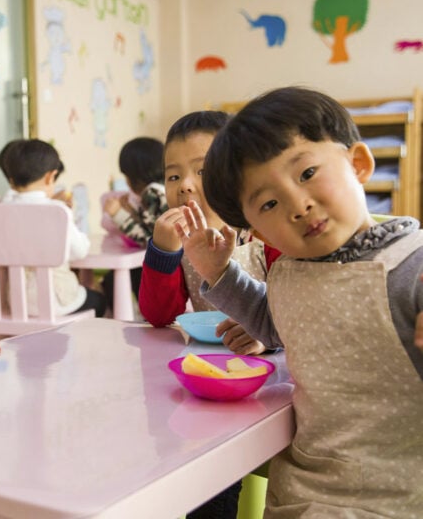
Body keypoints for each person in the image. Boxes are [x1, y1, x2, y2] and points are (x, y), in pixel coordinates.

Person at [177, 86, 423, 517]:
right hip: (303, 491)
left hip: (400, 494)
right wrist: (219, 271)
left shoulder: (410, 264)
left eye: (307, 173)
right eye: (268, 202)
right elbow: (270, 321)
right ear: (258, 231)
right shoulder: (289, 272)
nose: (296, 204)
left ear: (358, 164)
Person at [139, 111, 280, 356]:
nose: (184, 185)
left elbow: (300, 311)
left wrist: (267, 338)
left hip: (277, 366)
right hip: (208, 357)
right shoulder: (181, 243)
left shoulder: (267, 234)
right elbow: (160, 317)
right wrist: (163, 253)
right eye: (173, 176)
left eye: (202, 171)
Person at [0, 139, 106, 317]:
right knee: (99, 300)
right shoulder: (57, 211)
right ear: (50, 177)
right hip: (56, 301)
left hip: (16, 302)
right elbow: (79, 251)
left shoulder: (1, 209)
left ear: (11, 179)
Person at [101, 137, 166, 313]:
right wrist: (130, 209)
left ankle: (130, 320)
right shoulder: (161, 189)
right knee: (113, 279)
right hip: (168, 261)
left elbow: (148, 239)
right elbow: (151, 225)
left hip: (166, 265)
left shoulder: (153, 193)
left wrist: (117, 214)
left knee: (114, 279)